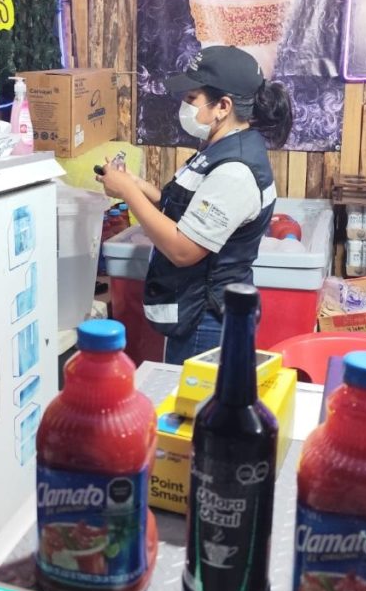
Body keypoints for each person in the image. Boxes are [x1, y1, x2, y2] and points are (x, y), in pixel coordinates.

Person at [96, 45, 292, 364]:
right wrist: (134, 184)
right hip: (194, 307)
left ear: (223, 106)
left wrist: (129, 194)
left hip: (208, 318)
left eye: (191, 98)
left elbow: (183, 249)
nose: (183, 106)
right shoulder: (221, 147)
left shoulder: (235, 171)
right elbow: (182, 208)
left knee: (194, 396)